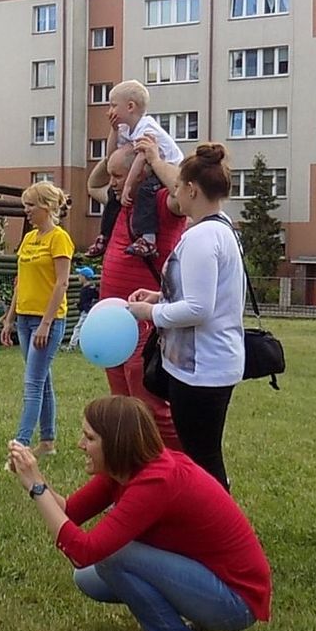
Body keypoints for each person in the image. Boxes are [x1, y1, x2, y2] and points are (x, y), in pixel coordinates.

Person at [6, 397, 271, 631]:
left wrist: (37, 488)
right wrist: (34, 479)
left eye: (90, 438)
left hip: (236, 603)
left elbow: (83, 551)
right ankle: (183, 622)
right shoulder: (125, 468)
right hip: (212, 582)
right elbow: (70, 512)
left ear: (116, 443)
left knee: (111, 557)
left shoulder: (157, 480)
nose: (80, 444)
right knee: (87, 578)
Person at [128, 140, 245, 491]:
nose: (174, 192)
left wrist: (150, 311)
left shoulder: (202, 237)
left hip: (202, 368)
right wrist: (162, 295)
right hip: (210, 362)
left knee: (202, 458)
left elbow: (198, 308)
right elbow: (208, 295)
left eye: (178, 185)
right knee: (202, 453)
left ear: (192, 189)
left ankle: (217, 519)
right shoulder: (222, 229)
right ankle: (209, 515)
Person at [87, 144, 184, 450]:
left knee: (150, 406)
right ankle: (131, 465)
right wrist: (116, 146)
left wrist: (153, 158)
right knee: (122, 406)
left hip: (144, 321)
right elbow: (93, 184)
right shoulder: (122, 203)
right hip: (113, 326)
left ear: (140, 173)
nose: (113, 182)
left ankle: (180, 464)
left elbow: (182, 192)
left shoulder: (161, 203)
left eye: (119, 175)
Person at [1, 181, 74, 455]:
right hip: (24, 319)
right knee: (42, 382)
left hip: (47, 322)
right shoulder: (29, 239)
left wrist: (46, 323)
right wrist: (9, 318)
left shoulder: (59, 239)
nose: (27, 211)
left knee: (32, 384)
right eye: (25, 206)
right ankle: (47, 441)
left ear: (46, 206)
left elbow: (61, 283)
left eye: (31, 205)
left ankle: (20, 445)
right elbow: (20, 282)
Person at [107, 80, 183, 256]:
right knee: (113, 194)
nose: (110, 111)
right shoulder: (127, 129)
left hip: (168, 167)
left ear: (130, 106)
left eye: (113, 105)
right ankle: (105, 235)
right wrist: (113, 130)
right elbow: (112, 158)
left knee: (145, 191)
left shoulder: (146, 127)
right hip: (150, 168)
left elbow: (142, 156)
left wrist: (128, 185)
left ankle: (149, 239)